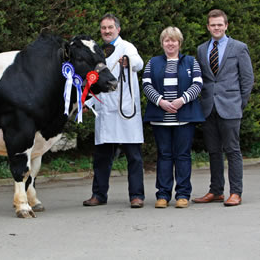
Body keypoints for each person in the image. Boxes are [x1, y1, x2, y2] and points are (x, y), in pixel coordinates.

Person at [83, 13, 145, 208]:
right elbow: (93, 81)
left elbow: (139, 63)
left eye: (110, 28)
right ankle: (99, 195)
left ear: (118, 29)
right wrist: (88, 103)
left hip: (124, 109)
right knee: (101, 157)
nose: (107, 31)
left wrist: (128, 62)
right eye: (103, 28)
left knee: (133, 157)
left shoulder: (127, 47)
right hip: (105, 110)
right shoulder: (98, 51)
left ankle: (136, 196)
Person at [192, 9, 254, 206]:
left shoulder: (239, 47)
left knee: (232, 150)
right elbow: (201, 79)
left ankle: (236, 192)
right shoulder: (202, 49)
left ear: (226, 25)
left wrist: (239, 103)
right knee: (213, 151)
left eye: (220, 24)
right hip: (208, 107)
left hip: (231, 107)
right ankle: (216, 191)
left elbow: (247, 79)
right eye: (213, 25)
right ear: (208, 27)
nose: (216, 28)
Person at [142, 26, 204, 208]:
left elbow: (198, 84)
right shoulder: (152, 62)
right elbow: (146, 85)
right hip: (160, 117)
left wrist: (181, 100)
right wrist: (161, 102)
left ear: (179, 43)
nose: (170, 43)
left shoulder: (191, 62)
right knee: (164, 155)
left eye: (174, 40)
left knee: (183, 155)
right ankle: (162, 195)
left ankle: (183, 195)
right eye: (167, 40)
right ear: (162, 43)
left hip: (183, 116)